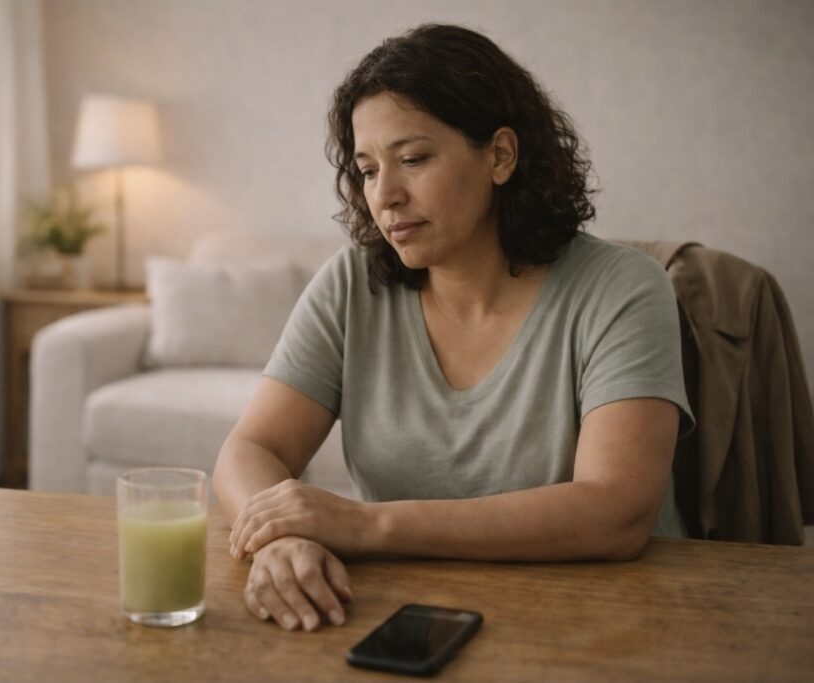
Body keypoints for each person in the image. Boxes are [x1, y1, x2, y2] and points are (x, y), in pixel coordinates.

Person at [212, 23, 693, 633]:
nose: (383, 196)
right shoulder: (352, 285)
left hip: (606, 624)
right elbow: (252, 449)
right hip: (402, 614)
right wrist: (278, 543)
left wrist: (366, 524)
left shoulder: (624, 288)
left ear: (500, 155)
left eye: (412, 159)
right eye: (365, 169)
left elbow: (617, 511)